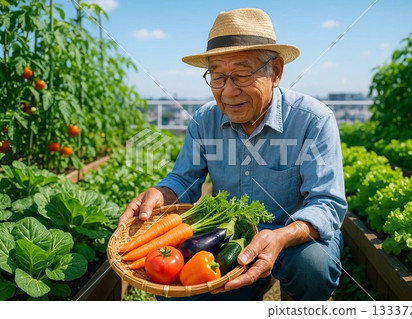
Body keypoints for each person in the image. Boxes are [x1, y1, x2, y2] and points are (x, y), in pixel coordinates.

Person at [118, 8, 347, 301]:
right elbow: (183, 180)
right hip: (230, 235)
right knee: (177, 289)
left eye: (240, 75)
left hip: (293, 238)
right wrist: (160, 194)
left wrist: (281, 237)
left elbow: (327, 203)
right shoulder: (204, 121)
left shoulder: (313, 120)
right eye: (217, 77)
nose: (228, 92)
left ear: (275, 72)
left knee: (313, 266)